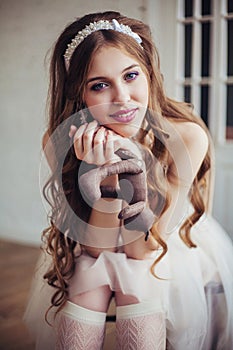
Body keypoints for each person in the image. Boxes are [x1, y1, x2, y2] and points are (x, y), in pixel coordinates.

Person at [24, 10, 233, 350]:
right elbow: (95, 246)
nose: (122, 97)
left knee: (136, 278)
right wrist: (104, 181)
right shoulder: (61, 141)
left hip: (166, 242)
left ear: (149, 73)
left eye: (131, 75)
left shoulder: (187, 137)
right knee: (91, 271)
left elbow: (143, 249)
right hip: (97, 238)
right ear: (80, 97)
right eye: (100, 85)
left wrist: (132, 172)